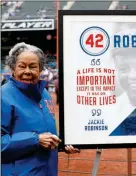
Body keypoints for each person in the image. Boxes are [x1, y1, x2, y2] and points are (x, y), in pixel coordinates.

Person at [1, 42, 79, 176]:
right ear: (13, 68)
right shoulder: (3, 96)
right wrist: (35, 140)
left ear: (41, 69)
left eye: (33, 66)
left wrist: (62, 143)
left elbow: (45, 134)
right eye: (22, 66)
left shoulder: (45, 94)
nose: (27, 71)